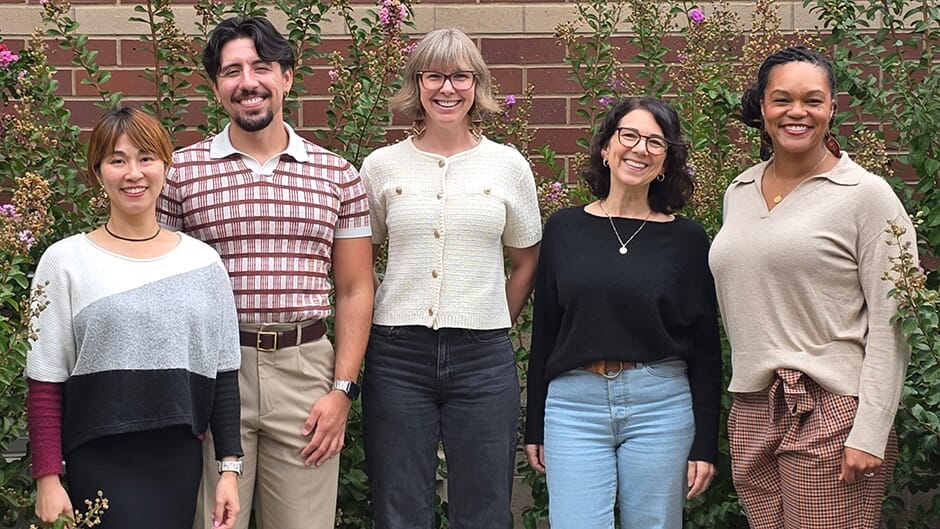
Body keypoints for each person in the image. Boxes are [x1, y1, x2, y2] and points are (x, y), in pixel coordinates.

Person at [156, 16, 374, 529]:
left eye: (261, 67)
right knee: (213, 523)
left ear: (287, 77)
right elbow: (161, 287)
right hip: (213, 374)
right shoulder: (180, 173)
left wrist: (342, 391)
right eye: (231, 71)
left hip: (306, 374)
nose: (247, 82)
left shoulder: (337, 175)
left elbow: (355, 288)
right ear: (216, 87)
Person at [709, 46, 916, 529]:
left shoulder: (867, 195)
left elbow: (894, 320)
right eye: (782, 99)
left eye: (812, 100)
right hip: (755, 407)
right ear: (763, 107)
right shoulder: (739, 191)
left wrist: (870, 429)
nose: (796, 112)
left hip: (832, 409)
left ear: (832, 109)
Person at [358, 27, 542, 529]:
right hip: (398, 356)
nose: (447, 88)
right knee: (400, 508)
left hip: (483, 358)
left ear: (477, 84)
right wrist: (387, 307)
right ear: (416, 84)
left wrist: (493, 317)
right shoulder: (380, 167)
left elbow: (526, 260)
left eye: (460, 76)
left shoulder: (508, 165)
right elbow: (359, 261)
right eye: (433, 76)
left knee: (484, 508)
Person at [26, 106, 242, 529]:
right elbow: (45, 379)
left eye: (146, 158)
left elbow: (224, 374)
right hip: (98, 457)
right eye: (117, 160)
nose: (133, 173)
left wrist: (229, 469)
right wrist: (47, 478)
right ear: (98, 172)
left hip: (178, 460)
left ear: (165, 165)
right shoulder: (65, 261)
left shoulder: (203, 263)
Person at [524, 96, 722, 529]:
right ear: (605, 148)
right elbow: (546, 332)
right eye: (628, 135)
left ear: (666, 161)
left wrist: (705, 442)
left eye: (655, 142)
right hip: (574, 407)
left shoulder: (688, 240)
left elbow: (707, 348)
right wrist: (534, 423)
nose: (639, 149)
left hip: (661, 405)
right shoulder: (563, 229)